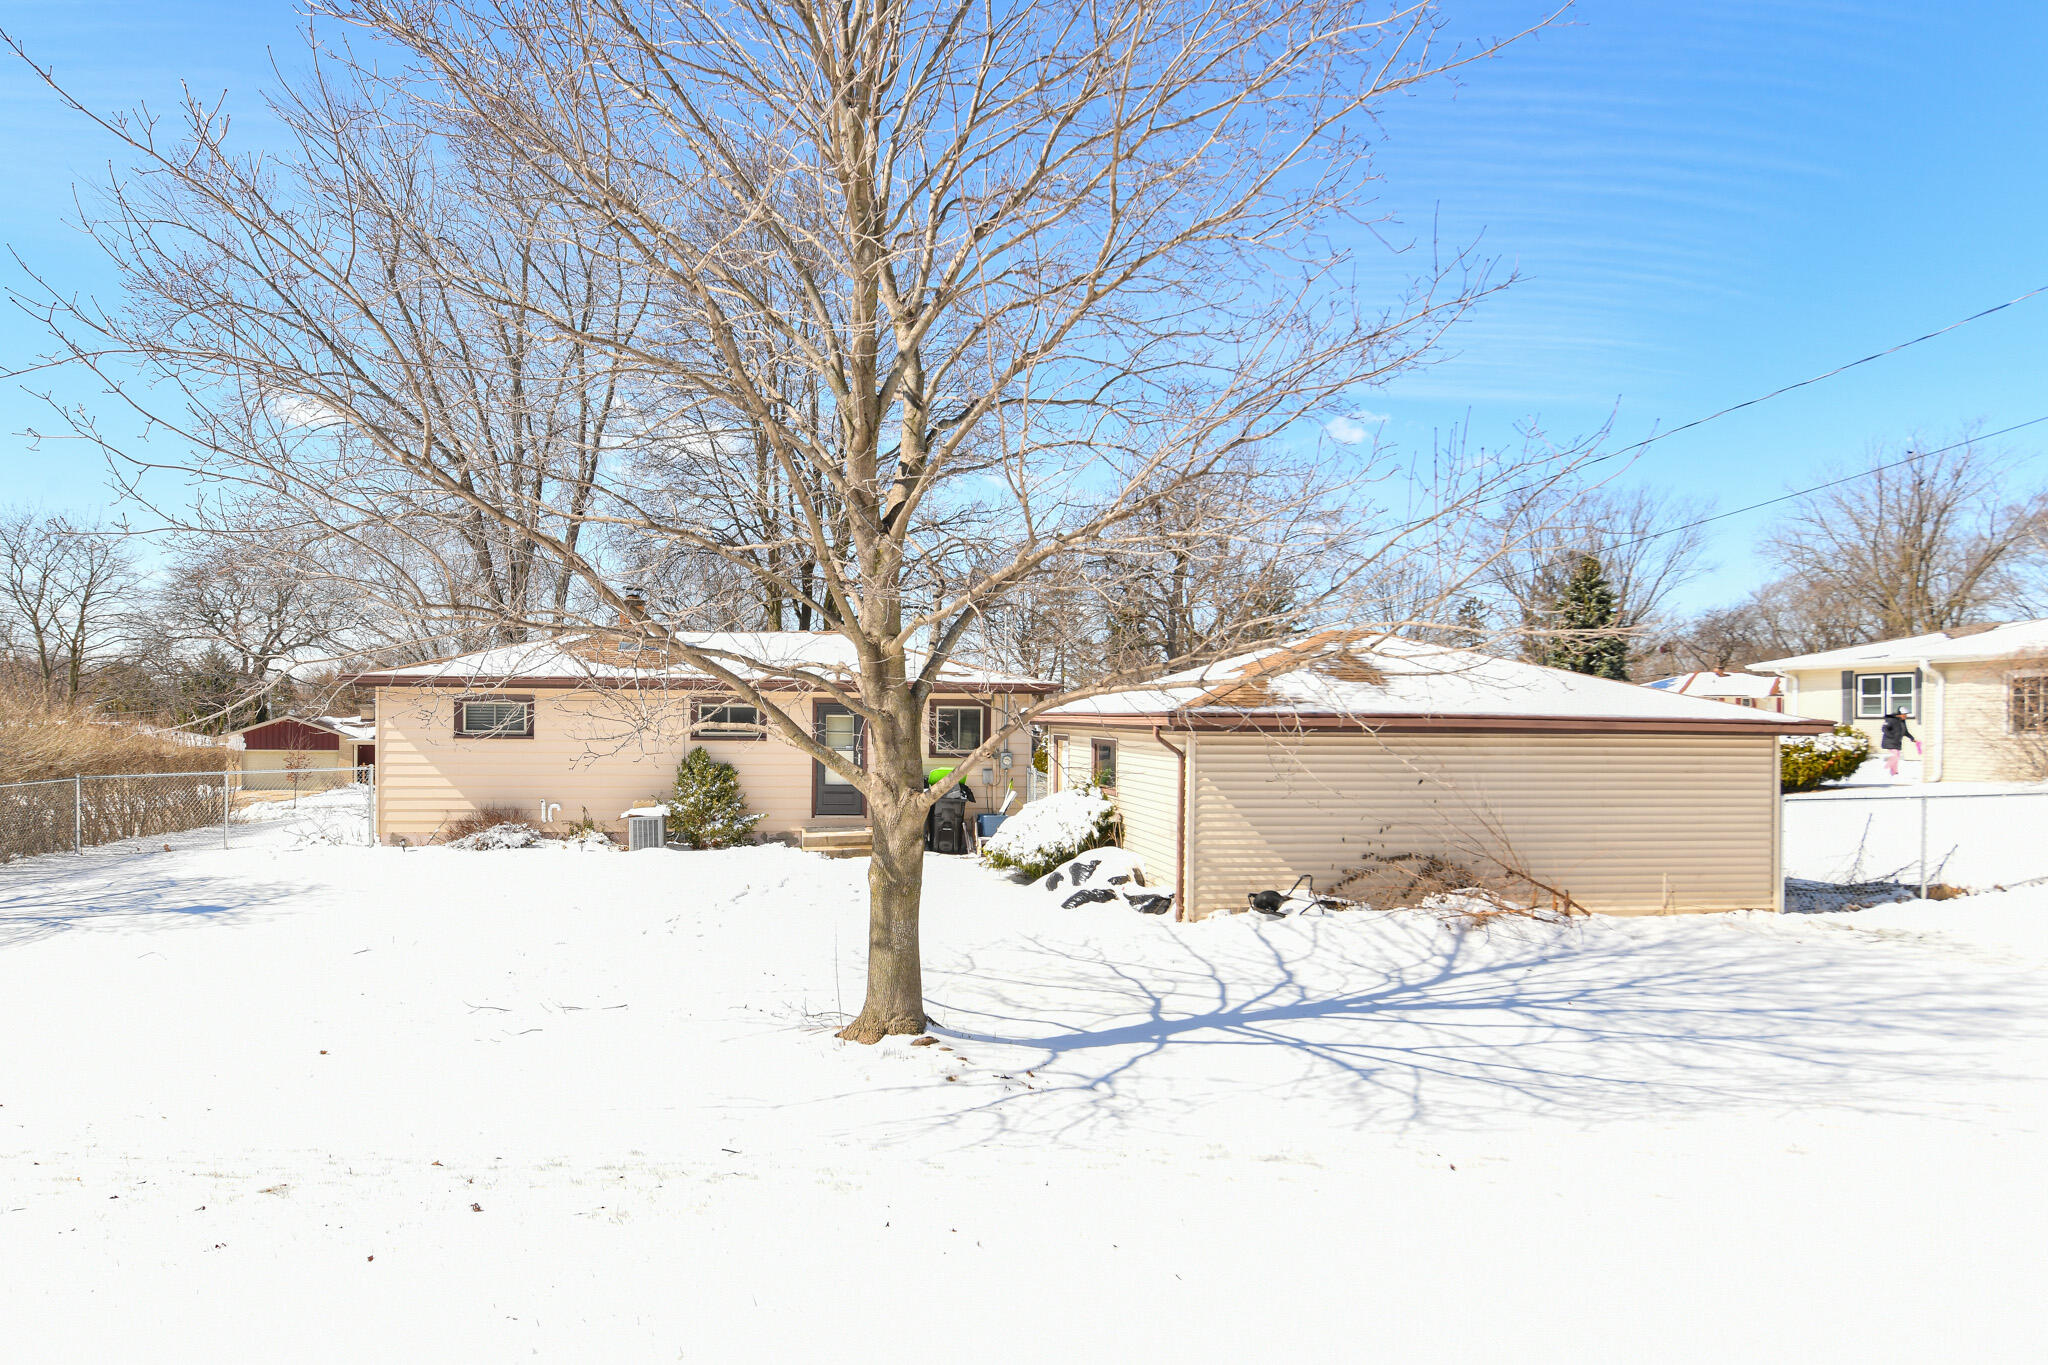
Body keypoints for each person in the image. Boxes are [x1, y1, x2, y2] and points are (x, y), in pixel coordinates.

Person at [1879, 709, 1919, 777]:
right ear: (1900, 714)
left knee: (1897, 756)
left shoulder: (1902, 722)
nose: (1905, 716)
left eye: (1906, 715)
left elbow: (1905, 732)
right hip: (1890, 741)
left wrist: (1912, 738)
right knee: (1895, 755)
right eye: (1904, 715)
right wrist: (1891, 736)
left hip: (1897, 742)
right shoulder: (1891, 720)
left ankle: (1894, 771)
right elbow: (1884, 728)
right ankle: (1887, 766)